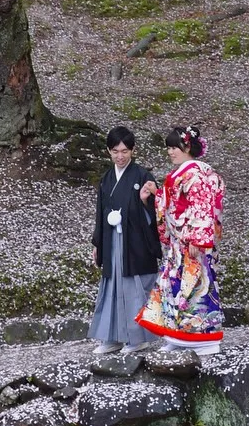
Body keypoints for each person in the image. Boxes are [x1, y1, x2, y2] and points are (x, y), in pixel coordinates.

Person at [135, 124, 225, 355]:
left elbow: (201, 207)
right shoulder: (186, 172)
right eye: (169, 148)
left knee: (195, 288)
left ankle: (204, 337)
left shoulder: (196, 174)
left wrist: (198, 239)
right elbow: (173, 202)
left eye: (176, 147)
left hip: (192, 242)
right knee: (175, 288)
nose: (171, 151)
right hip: (180, 243)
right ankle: (179, 334)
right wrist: (157, 195)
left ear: (188, 146)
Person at [89, 126, 161, 354]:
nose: (120, 156)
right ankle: (112, 337)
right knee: (112, 288)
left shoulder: (142, 177)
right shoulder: (106, 179)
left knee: (134, 288)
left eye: (125, 151)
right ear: (108, 151)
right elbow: (101, 213)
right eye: (115, 151)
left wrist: (145, 201)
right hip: (112, 242)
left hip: (135, 244)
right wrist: (97, 243)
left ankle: (138, 338)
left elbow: (157, 212)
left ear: (133, 151)